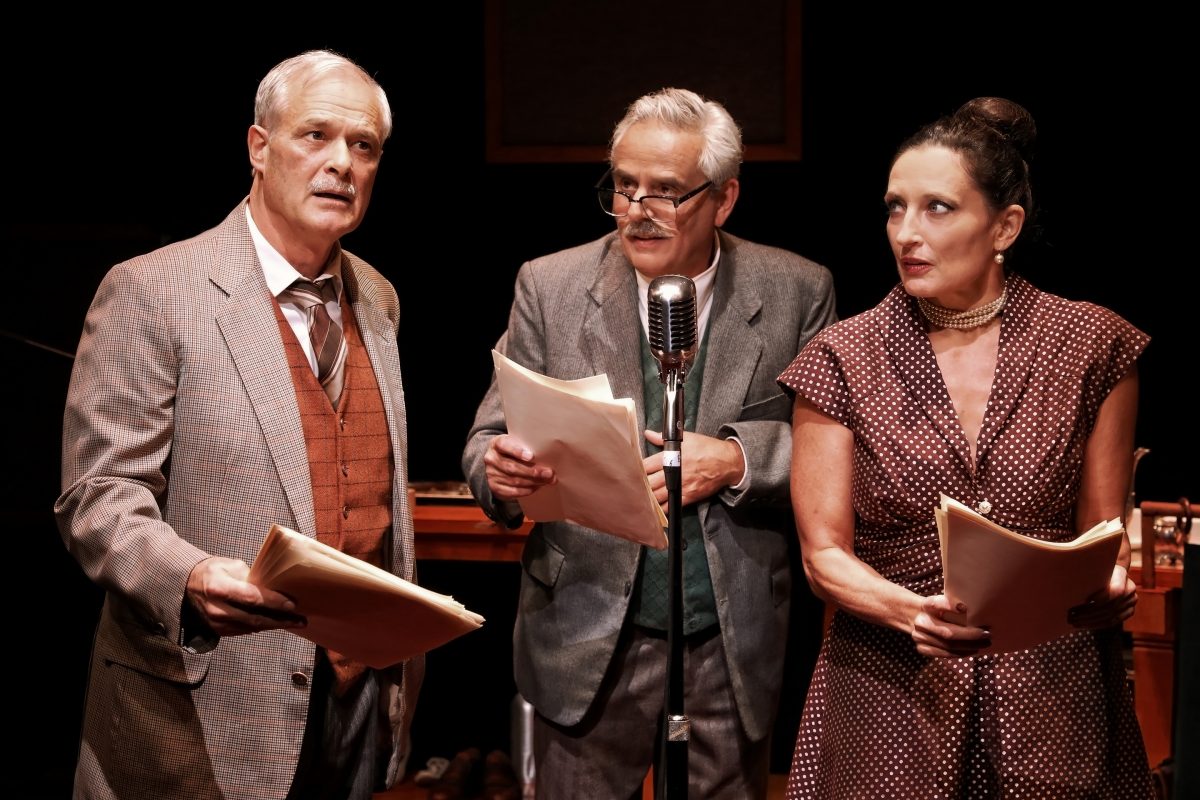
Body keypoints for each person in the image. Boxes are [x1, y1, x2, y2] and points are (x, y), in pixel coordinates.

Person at [54, 50, 422, 800]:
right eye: (313, 136)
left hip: (355, 708)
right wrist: (187, 575)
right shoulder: (153, 290)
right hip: (203, 710)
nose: (340, 165)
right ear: (258, 148)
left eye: (363, 146)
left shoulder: (377, 299)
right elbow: (98, 496)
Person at [462, 87, 837, 799]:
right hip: (585, 631)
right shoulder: (550, 285)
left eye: (666, 192)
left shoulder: (796, 290)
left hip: (727, 641)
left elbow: (830, 453)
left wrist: (736, 458)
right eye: (624, 187)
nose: (638, 209)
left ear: (724, 199)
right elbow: (485, 441)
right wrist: (499, 470)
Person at [777, 96, 1153, 798]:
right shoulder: (841, 356)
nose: (906, 233)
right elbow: (823, 555)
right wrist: (907, 610)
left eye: (937, 208)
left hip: (1050, 684)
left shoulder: (1092, 345)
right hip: (891, 685)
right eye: (895, 207)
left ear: (1004, 225)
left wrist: (1109, 582)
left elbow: (1103, 532)